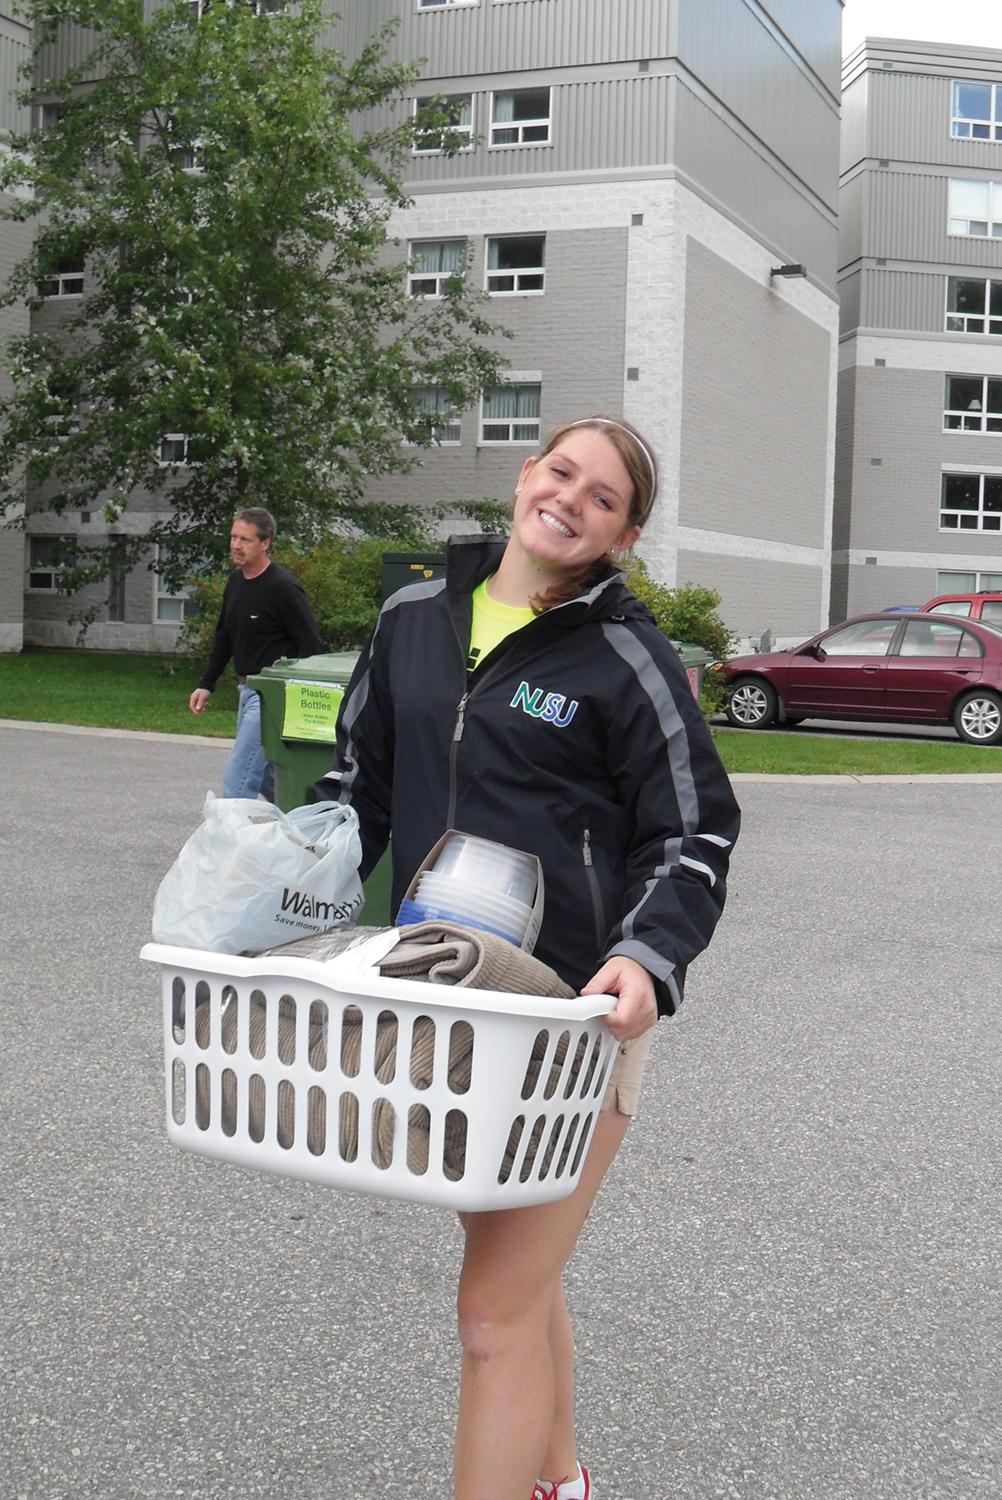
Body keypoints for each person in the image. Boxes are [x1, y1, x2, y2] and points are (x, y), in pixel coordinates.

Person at [315, 417, 741, 1500]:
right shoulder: (413, 619)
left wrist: (648, 954)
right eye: (561, 473)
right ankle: (563, 1480)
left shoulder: (625, 658)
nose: (571, 500)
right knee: (521, 1272)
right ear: (524, 476)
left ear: (624, 535)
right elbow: (351, 795)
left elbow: (694, 830)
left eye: (603, 497)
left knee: (492, 1310)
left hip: (570, 1025)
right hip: (445, 1007)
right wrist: (268, 886)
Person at [189, 507, 324, 801]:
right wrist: (206, 684)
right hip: (246, 691)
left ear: (265, 543)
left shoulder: (282, 588)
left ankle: (233, 846)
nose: (236, 546)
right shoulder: (236, 582)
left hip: (269, 697)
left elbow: (311, 647)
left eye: (245, 540)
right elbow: (224, 636)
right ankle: (310, 830)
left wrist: (295, 699)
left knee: (238, 780)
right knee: (268, 780)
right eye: (234, 538)